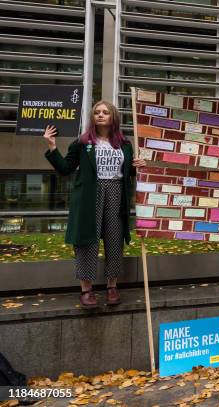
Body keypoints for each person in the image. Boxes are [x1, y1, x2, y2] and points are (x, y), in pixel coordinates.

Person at [43, 101, 146, 307]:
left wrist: (138, 166)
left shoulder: (124, 144)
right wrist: (52, 146)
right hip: (91, 194)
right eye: (97, 112)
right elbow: (65, 168)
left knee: (114, 240)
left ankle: (112, 286)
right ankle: (86, 289)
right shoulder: (82, 143)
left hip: (116, 192)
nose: (100, 115)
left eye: (105, 112)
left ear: (113, 117)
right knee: (86, 241)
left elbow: (128, 172)